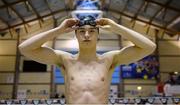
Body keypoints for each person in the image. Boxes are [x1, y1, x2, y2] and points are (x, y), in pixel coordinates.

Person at [18, 16, 156, 104]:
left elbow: (149, 47)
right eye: (82, 31)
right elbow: (25, 48)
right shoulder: (65, 59)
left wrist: (116, 27)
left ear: (98, 35)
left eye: (92, 31)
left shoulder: (109, 59)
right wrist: (58, 30)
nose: (87, 35)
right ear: (76, 36)